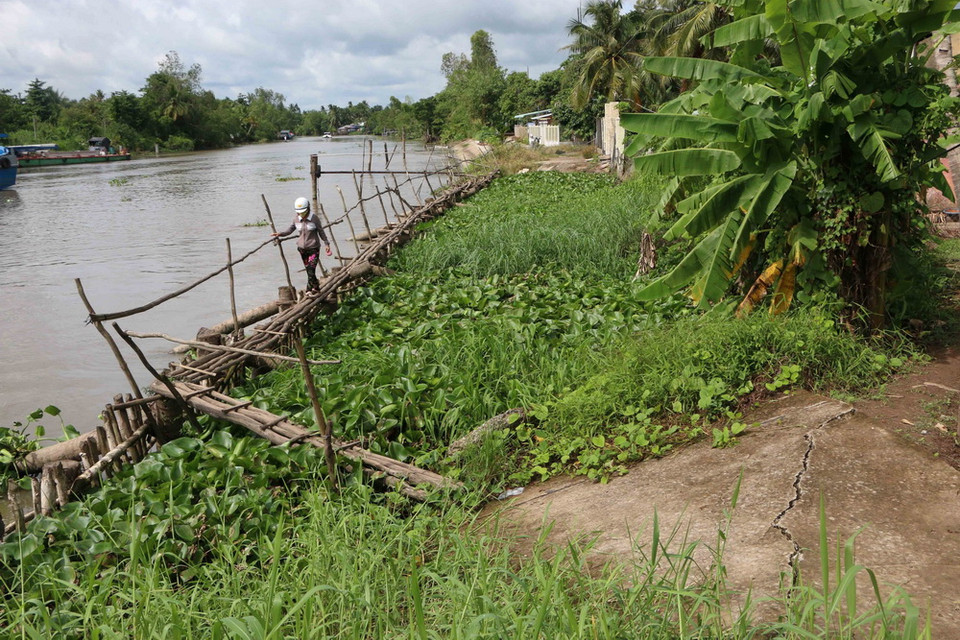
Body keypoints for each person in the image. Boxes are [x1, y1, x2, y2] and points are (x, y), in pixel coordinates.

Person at [272, 197, 332, 292]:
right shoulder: (296, 219)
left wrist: (326, 244)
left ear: (308, 208)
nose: (301, 214)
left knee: (311, 271)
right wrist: (280, 234)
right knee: (309, 271)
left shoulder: (314, 218)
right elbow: (290, 230)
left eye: (303, 211)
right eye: (299, 212)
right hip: (302, 250)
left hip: (313, 249)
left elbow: (321, 232)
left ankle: (308, 290)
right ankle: (316, 287)